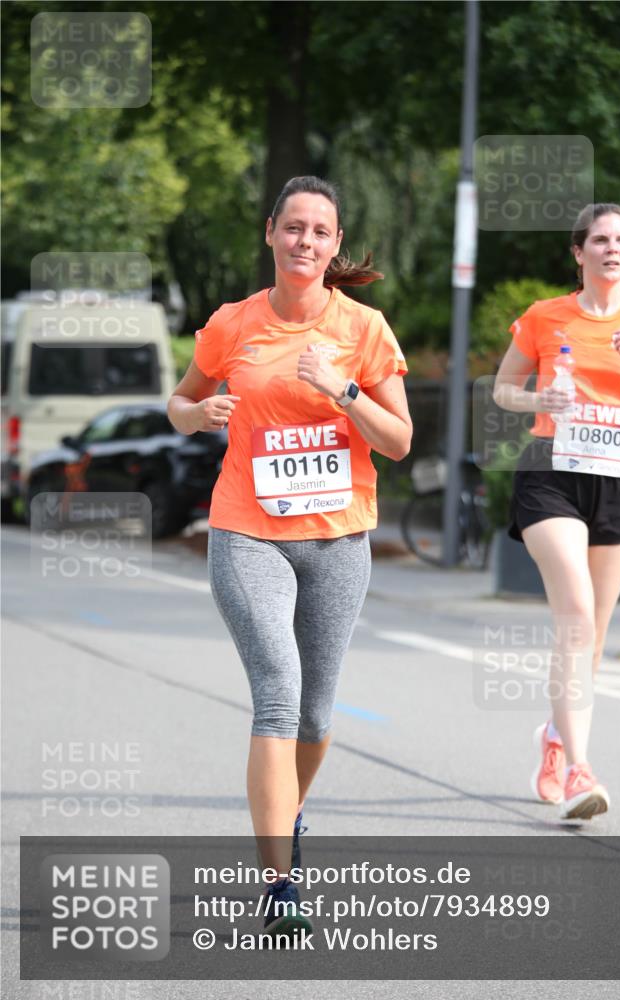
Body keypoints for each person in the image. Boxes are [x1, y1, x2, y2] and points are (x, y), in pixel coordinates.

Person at [167, 175, 411, 932]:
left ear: (335, 245)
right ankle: (280, 885)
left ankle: (288, 816)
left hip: (338, 539)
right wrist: (197, 414)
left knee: (314, 710)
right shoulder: (232, 323)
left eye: (320, 231)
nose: (305, 241)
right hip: (248, 531)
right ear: (270, 232)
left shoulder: (364, 329)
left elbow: (399, 441)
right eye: (293, 226)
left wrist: (344, 391)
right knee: (277, 687)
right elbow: (179, 403)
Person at [493, 203, 620, 820]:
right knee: (575, 614)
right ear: (579, 252)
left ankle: (554, 735)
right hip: (553, 473)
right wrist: (540, 398)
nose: (612, 248)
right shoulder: (546, 317)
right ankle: (580, 771)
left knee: (592, 636)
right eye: (599, 239)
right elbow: (503, 389)